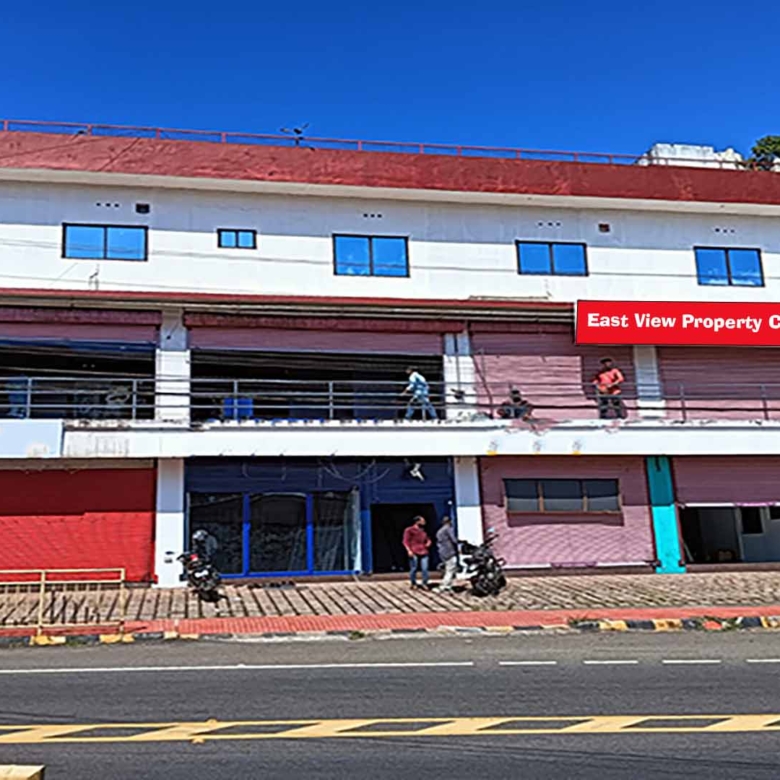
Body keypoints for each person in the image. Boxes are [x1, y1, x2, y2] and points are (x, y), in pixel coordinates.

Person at [402, 515, 431, 589]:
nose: (424, 522)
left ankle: (424, 583)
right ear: (417, 521)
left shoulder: (423, 530)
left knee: (425, 568)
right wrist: (409, 550)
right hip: (414, 551)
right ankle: (413, 583)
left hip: (424, 551)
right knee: (414, 568)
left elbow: (427, 538)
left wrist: (428, 542)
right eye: (422, 521)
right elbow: (405, 541)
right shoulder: (409, 530)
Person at [435, 516, 459, 592]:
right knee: (450, 569)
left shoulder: (439, 531)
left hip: (442, 552)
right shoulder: (448, 529)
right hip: (449, 551)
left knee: (448, 569)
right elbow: (454, 540)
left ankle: (448, 586)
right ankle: (444, 586)